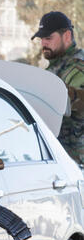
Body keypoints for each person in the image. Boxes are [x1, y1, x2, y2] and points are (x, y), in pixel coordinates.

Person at [31, 11, 83, 166]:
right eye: (41, 39)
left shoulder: (78, 67)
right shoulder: (57, 68)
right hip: (59, 160)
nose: (43, 44)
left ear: (67, 36)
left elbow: (75, 102)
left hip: (76, 163)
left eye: (48, 38)